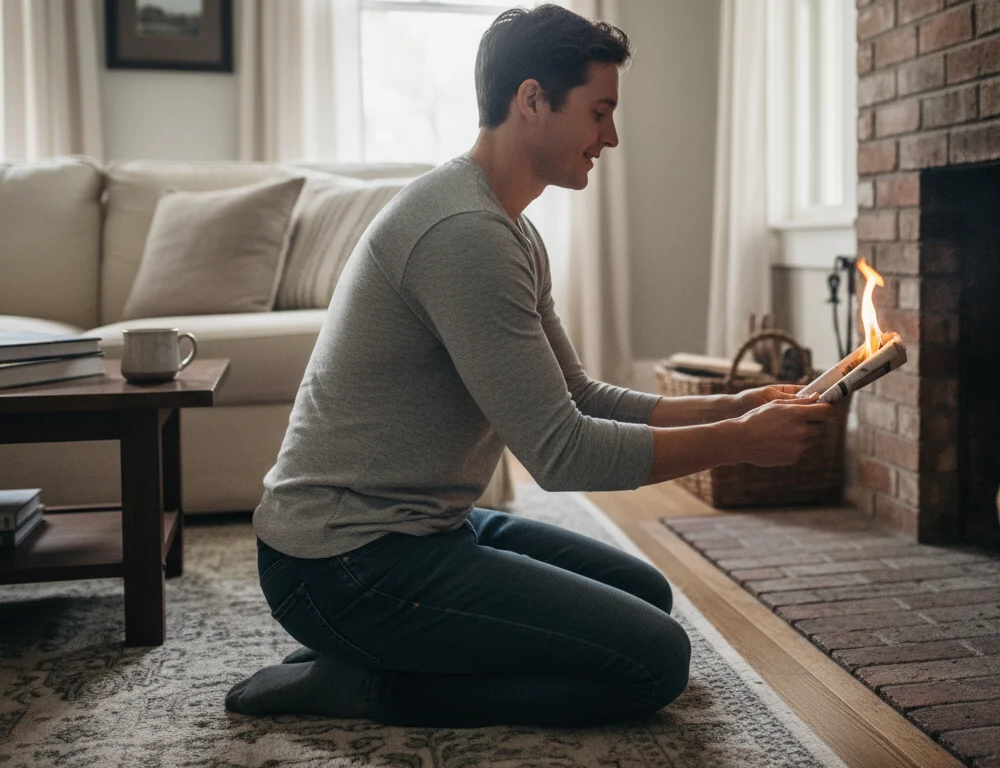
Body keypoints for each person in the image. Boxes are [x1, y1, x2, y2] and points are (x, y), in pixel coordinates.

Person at [224, 4, 835, 728]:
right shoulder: (464, 234)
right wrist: (740, 444)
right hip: (342, 565)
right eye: (599, 111)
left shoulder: (510, 228)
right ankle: (368, 685)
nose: (611, 136)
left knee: (643, 596)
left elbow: (575, 394)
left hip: (424, 530)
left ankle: (382, 651)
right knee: (655, 662)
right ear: (533, 99)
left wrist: (732, 408)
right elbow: (560, 451)